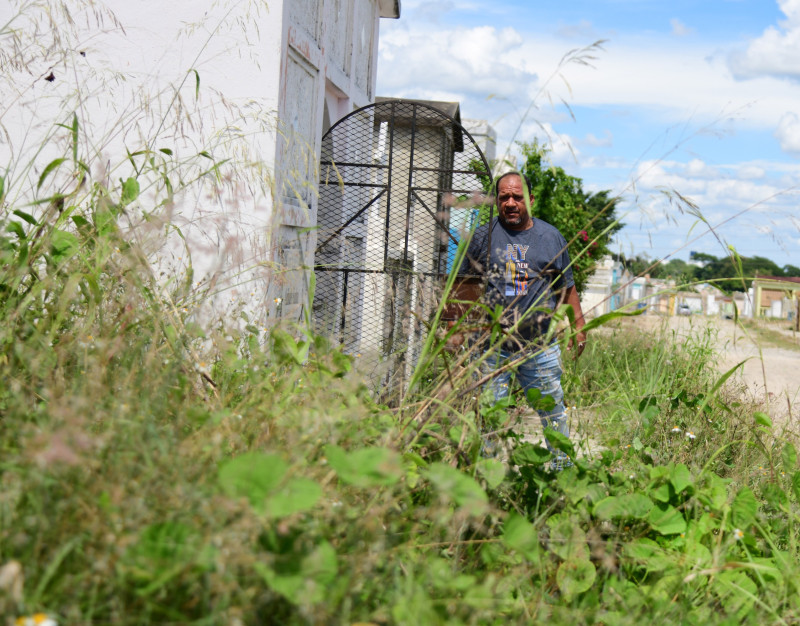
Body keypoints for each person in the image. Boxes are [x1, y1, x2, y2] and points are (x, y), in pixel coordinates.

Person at [460, 171, 586, 469]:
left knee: (553, 414)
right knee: (489, 417)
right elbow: (463, 287)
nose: (511, 202)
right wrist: (456, 328)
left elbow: (566, 287)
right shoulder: (482, 237)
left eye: (517, 196)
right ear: (497, 201)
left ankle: (562, 475)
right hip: (492, 348)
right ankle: (487, 480)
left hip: (539, 347)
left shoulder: (550, 237)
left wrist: (580, 328)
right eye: (504, 197)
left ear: (530, 199)